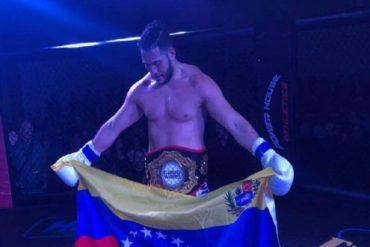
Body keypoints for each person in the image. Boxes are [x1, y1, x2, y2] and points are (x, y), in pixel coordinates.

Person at [56, 20, 293, 197]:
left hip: (196, 190)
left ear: (172, 53)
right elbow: (113, 126)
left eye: (157, 64)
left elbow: (234, 122)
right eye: (147, 65)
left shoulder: (198, 83)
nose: (153, 71)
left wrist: (266, 153)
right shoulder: (141, 90)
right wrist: (84, 156)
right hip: (157, 193)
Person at [8, 119, 48, 196]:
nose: (28, 131)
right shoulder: (15, 146)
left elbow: (44, 165)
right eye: (25, 128)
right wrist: (11, 146)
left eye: (30, 128)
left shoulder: (38, 146)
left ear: (32, 129)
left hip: (39, 187)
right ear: (20, 130)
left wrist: (45, 182)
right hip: (22, 189)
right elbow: (11, 164)